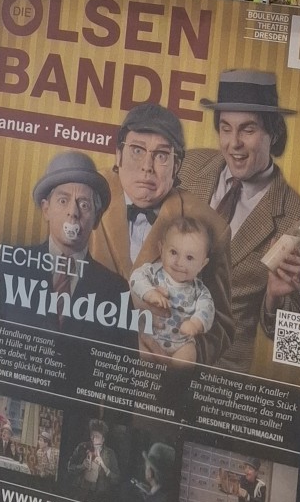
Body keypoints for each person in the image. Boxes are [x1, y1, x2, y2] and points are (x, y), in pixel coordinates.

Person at [181, 70, 300, 375]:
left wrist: (274, 297)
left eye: (248, 129)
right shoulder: (189, 166)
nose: (234, 143)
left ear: (273, 132)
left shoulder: (297, 218)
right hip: (150, 353)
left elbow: (290, 344)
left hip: (217, 375)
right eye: (226, 128)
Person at [90, 102, 232, 365]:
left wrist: (181, 353)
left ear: (177, 165)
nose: (147, 166)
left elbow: (221, 329)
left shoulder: (213, 227)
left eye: (161, 155)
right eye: (137, 150)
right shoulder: (83, 194)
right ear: (118, 155)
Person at [0, 150, 130, 346]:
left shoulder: (116, 290)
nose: (73, 212)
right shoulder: (9, 266)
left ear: (97, 218)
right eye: (63, 201)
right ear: (46, 209)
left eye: (84, 204)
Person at [129, 216, 216, 354]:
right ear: (161, 249)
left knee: (187, 356)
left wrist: (196, 323)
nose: (179, 262)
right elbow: (136, 277)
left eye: (189, 258)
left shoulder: (199, 291)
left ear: (202, 264)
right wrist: (149, 292)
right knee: (137, 351)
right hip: (147, 333)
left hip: (181, 341)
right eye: (174, 252)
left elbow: (207, 309)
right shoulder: (153, 272)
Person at [68, 419, 119, 494]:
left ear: (103, 439)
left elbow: (116, 479)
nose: (93, 439)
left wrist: (104, 468)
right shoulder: (81, 447)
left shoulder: (110, 453)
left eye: (97, 436)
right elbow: (69, 468)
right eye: (92, 435)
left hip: (99, 494)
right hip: (80, 490)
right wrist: (82, 466)